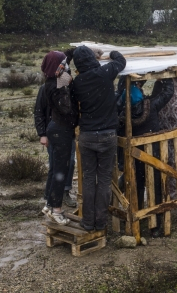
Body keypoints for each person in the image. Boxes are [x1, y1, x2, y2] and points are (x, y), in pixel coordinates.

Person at [71, 46, 126, 232]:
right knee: (103, 180)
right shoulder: (105, 72)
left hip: (87, 135)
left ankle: (88, 222)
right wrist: (110, 54)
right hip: (107, 134)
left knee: (88, 180)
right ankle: (101, 222)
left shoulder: (77, 82)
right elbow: (121, 61)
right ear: (93, 58)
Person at [117, 77, 174, 237]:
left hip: (134, 159)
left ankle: (135, 216)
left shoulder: (123, 113)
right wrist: (166, 76)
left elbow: (121, 93)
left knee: (136, 187)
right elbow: (168, 92)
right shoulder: (151, 106)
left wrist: (126, 83)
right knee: (155, 188)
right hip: (152, 156)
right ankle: (155, 225)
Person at [40, 51, 79, 225]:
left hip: (57, 129)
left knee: (57, 169)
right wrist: (68, 86)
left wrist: (69, 57)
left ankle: (49, 204)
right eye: (61, 65)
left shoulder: (52, 81)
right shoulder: (54, 85)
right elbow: (65, 108)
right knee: (60, 172)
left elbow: (65, 67)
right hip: (60, 130)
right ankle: (57, 210)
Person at [34, 83, 77, 209]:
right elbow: (39, 111)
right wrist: (42, 134)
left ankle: (65, 192)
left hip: (68, 132)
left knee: (70, 163)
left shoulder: (69, 88)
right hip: (52, 133)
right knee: (55, 165)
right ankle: (50, 196)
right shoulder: (45, 88)